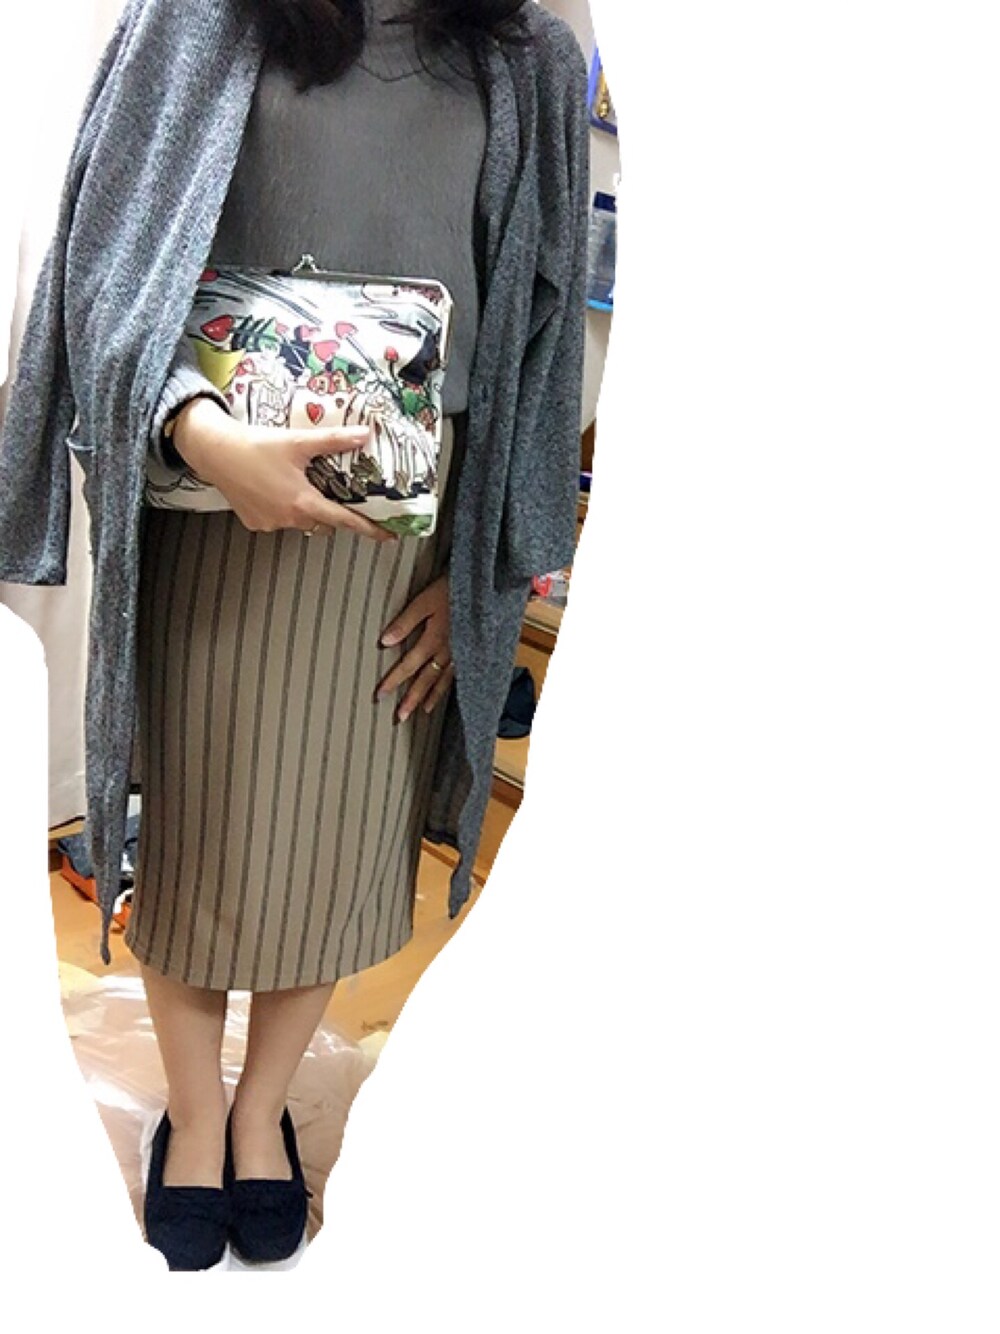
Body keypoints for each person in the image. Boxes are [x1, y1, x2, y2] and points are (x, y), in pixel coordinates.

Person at [0, 0, 590, 1271]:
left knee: (338, 848)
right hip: (212, 510)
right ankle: (195, 1113)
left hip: (405, 536)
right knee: (200, 839)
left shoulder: (527, 55)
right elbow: (107, 260)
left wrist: (482, 573)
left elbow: (539, 334)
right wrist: (197, 431)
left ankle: (259, 1109)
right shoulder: (196, 20)